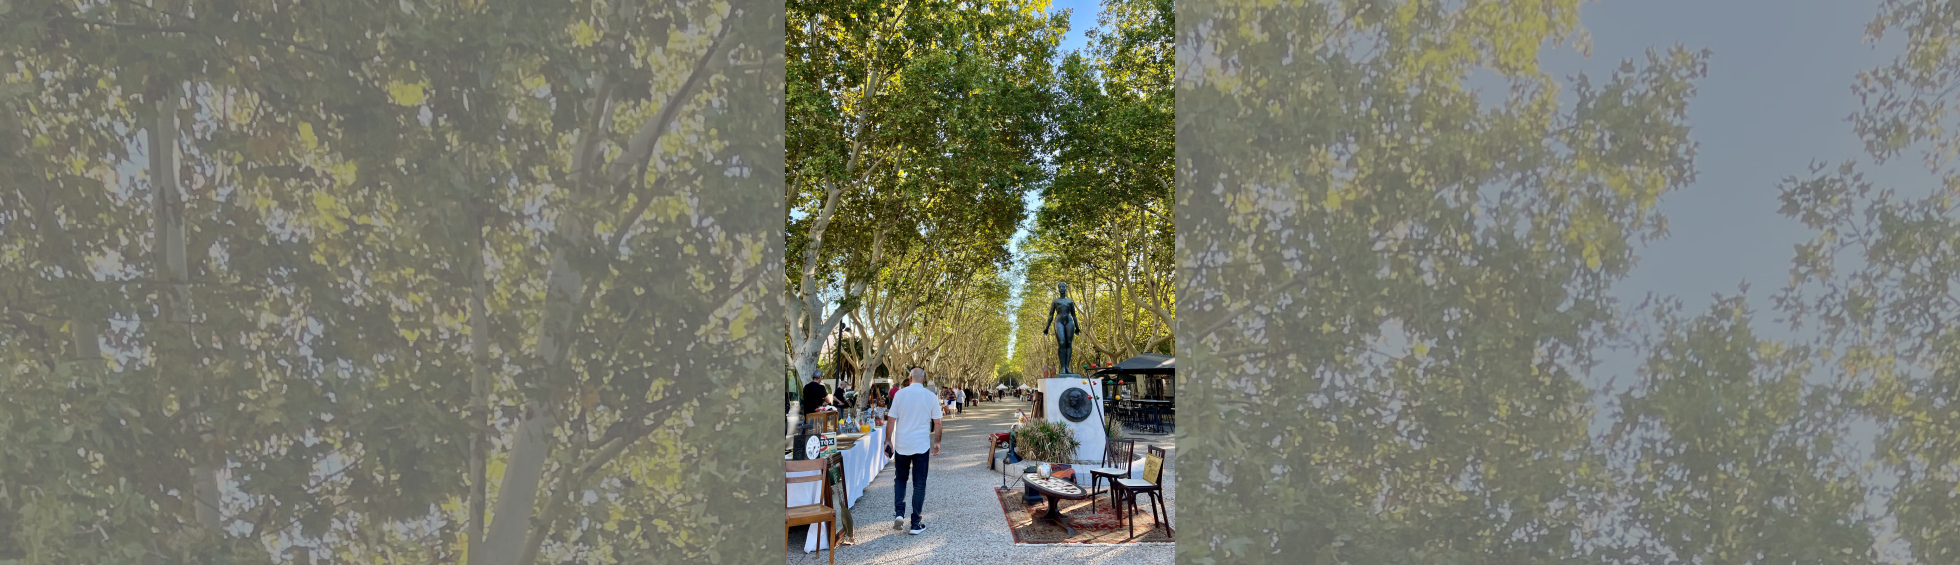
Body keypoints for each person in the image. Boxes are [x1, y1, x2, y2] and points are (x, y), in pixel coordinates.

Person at [884, 366, 942, 534]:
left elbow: (891, 420)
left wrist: (888, 441)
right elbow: (937, 423)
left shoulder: (900, 395)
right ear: (923, 380)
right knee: (919, 484)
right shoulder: (930, 396)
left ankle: (899, 515)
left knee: (900, 479)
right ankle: (915, 523)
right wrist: (937, 442)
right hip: (921, 446)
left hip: (902, 445)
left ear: (910, 378)